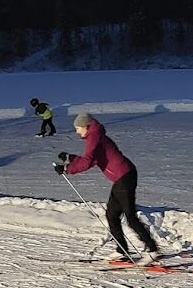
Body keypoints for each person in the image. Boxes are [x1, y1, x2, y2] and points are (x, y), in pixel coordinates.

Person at [55, 112, 160, 263]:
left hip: (124, 176)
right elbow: (93, 158)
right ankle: (121, 250)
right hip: (122, 178)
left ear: (86, 126)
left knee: (130, 216)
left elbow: (88, 162)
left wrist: (67, 169)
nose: (77, 131)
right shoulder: (95, 136)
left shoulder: (94, 137)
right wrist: (69, 158)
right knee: (112, 215)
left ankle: (152, 250)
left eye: (78, 128)